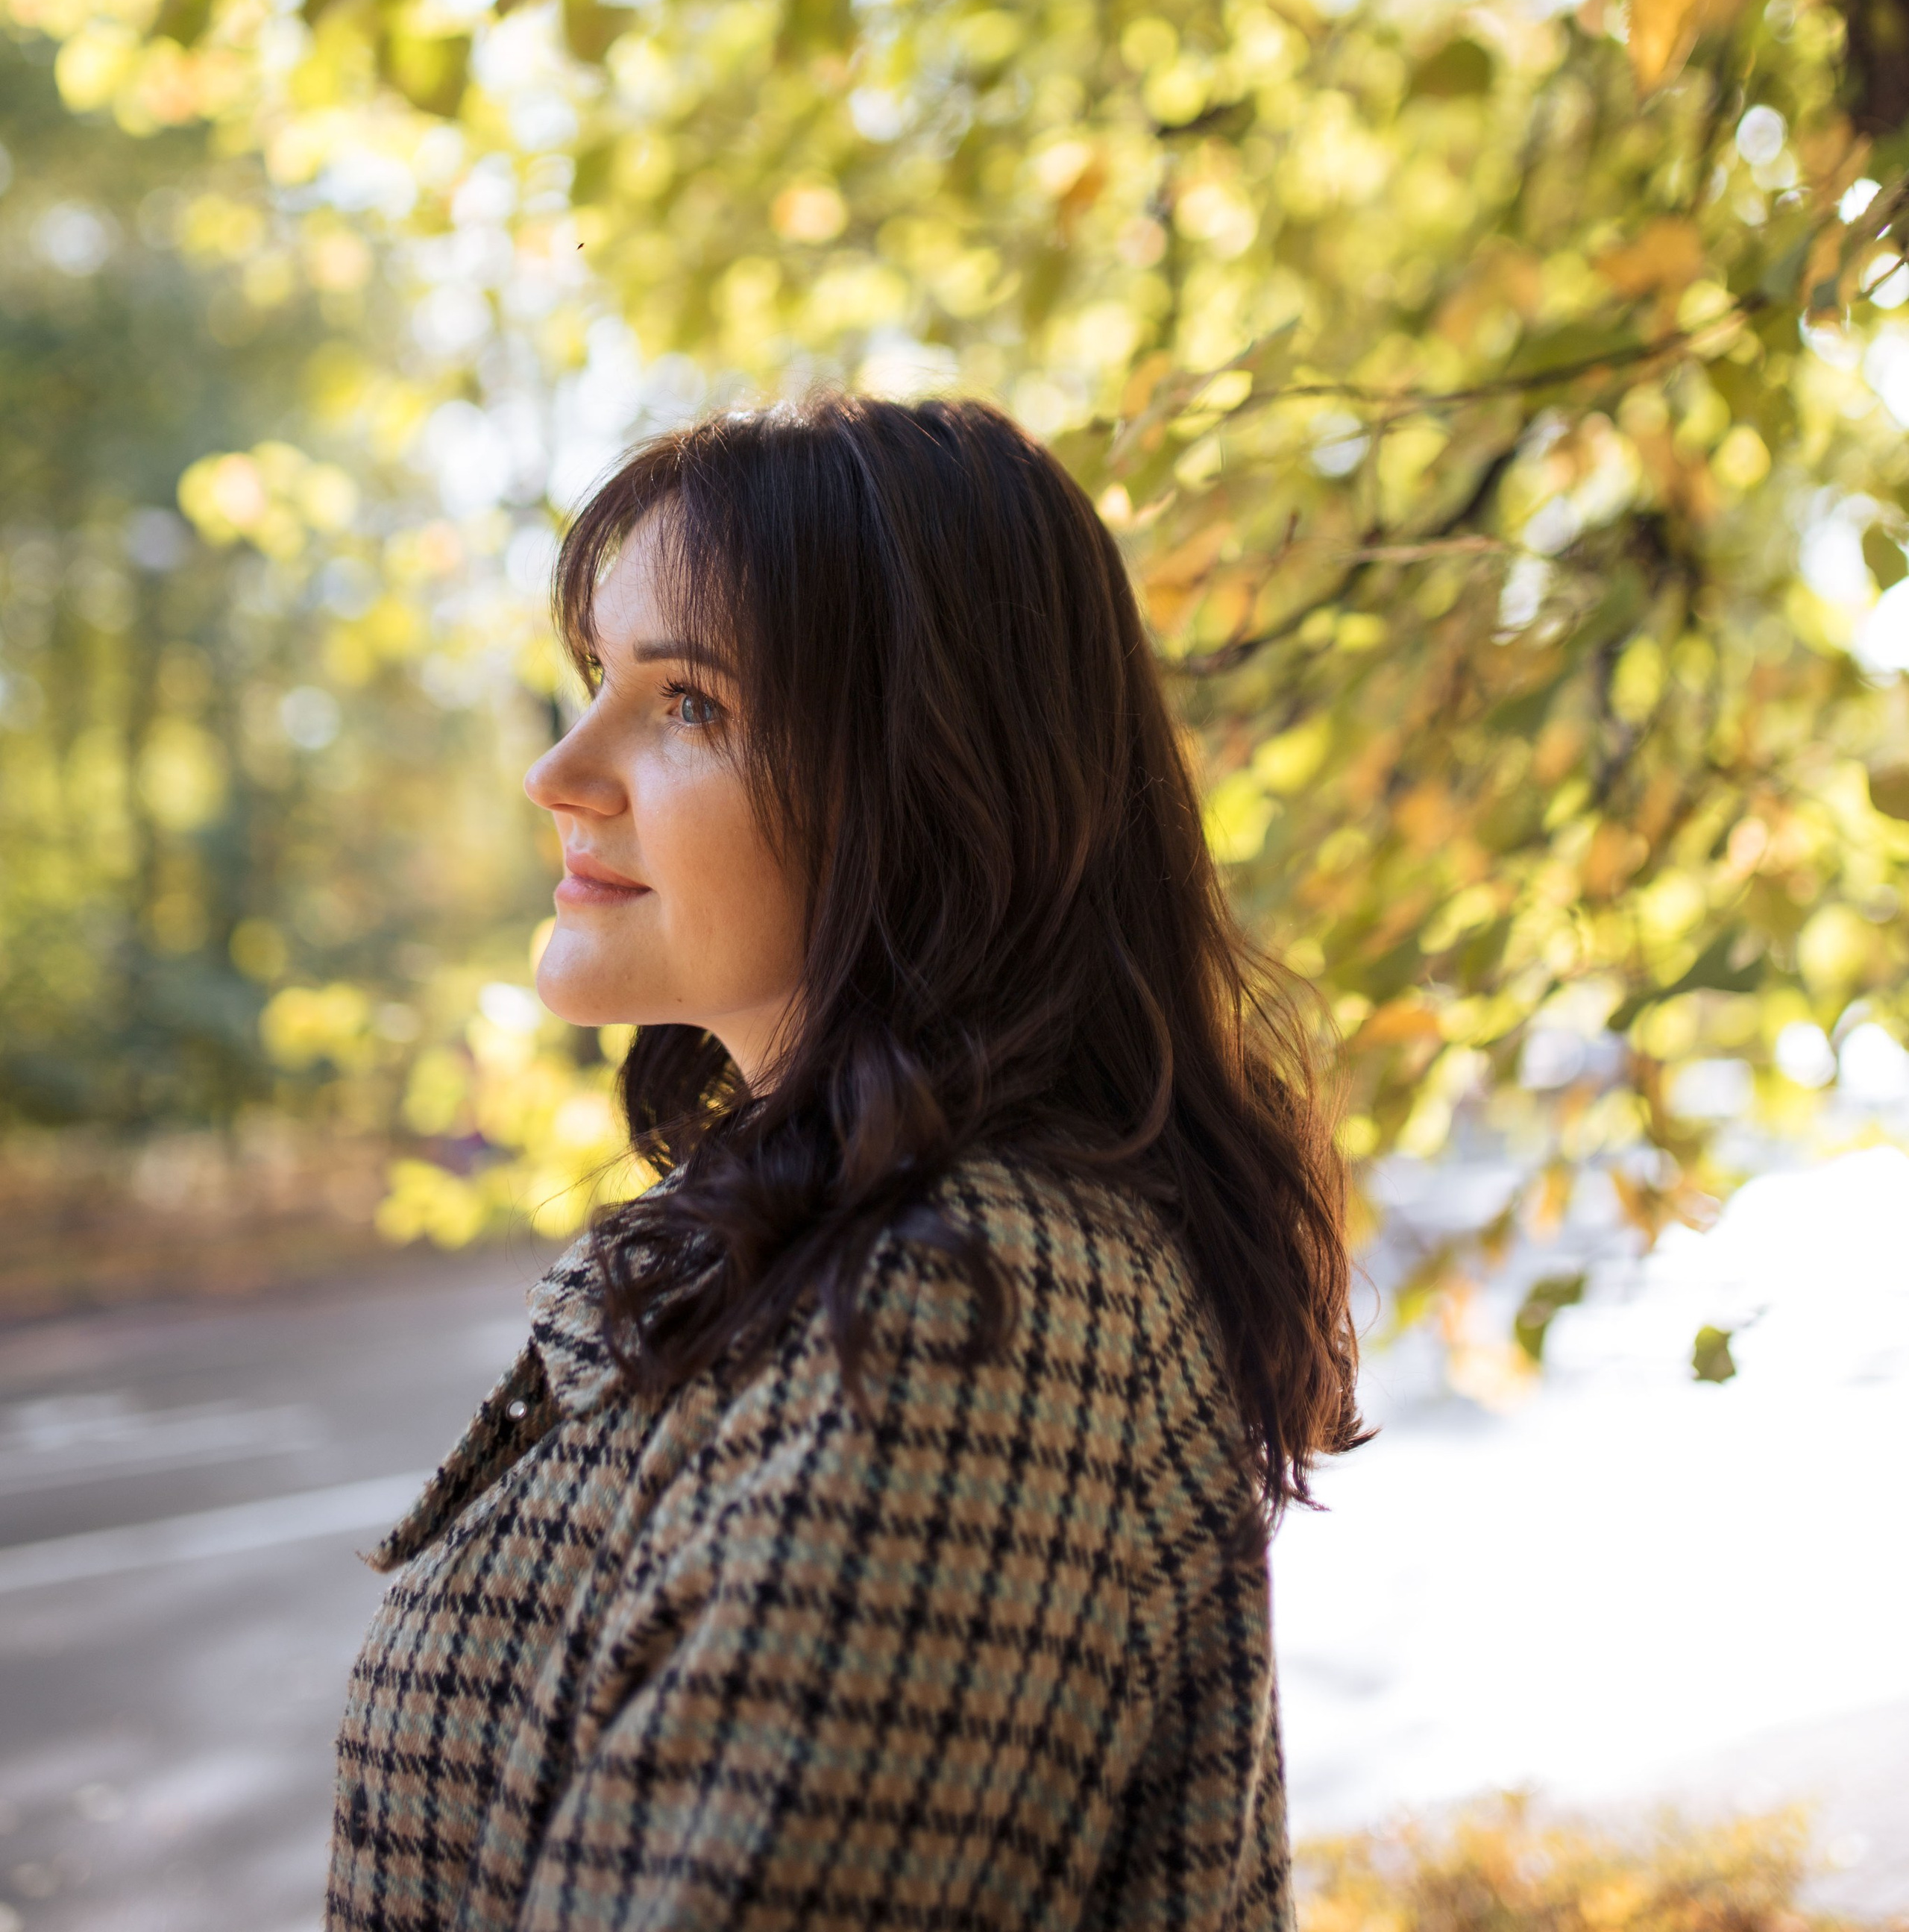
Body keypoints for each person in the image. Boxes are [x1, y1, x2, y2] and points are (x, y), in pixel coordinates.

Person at [327, 393, 1361, 1931]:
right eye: (599, 677)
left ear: (928, 779)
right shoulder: (822, 1248)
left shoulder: (967, 1309)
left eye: (688, 704)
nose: (560, 767)